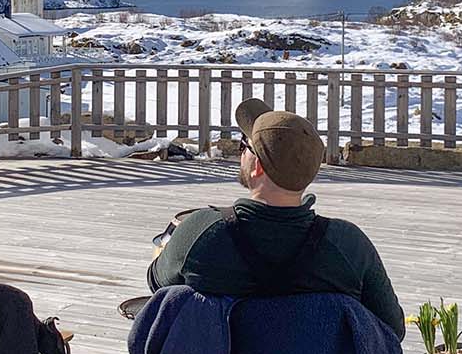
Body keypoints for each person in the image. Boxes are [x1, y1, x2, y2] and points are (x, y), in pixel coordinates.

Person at [145, 99, 404, 336]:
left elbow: (157, 283)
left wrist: (170, 247)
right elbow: (393, 328)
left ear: (257, 166)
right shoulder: (349, 245)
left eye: (243, 147)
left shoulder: (201, 231)